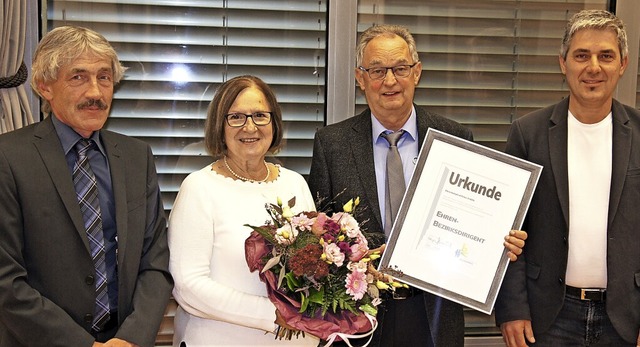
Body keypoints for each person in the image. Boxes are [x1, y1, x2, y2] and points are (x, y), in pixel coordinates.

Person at [308, 24, 526, 347]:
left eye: (400, 68)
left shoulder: (455, 138)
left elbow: (472, 222)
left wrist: (500, 242)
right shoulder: (332, 144)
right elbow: (320, 235)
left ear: (417, 73)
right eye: (377, 70)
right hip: (357, 318)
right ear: (360, 78)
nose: (390, 81)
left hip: (434, 315)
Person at [0, 26, 173, 347]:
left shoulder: (137, 157)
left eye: (104, 77)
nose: (96, 92)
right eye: (78, 77)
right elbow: (5, 278)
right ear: (44, 87)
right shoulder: (8, 157)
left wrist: (132, 337)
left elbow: (155, 261)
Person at [495, 9, 640, 347]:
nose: (593, 67)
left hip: (625, 317)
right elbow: (508, 229)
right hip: (548, 318)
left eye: (606, 56)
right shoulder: (527, 134)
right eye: (581, 55)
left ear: (623, 64)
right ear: (563, 63)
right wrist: (512, 309)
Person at [168, 75, 320, 346]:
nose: (250, 127)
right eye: (236, 117)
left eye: (260, 115)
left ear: (273, 122)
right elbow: (189, 287)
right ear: (220, 125)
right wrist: (273, 313)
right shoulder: (199, 188)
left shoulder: (295, 183)